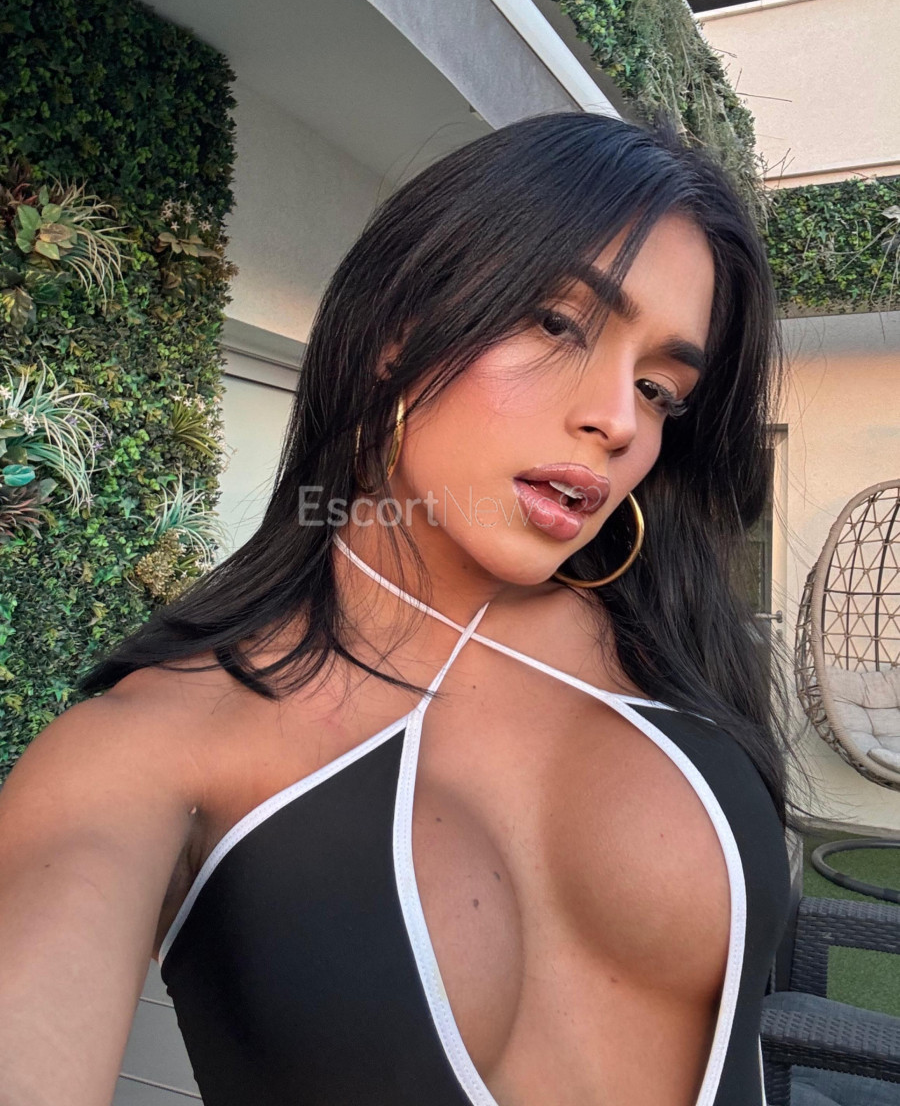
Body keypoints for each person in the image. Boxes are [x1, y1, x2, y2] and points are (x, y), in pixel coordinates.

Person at [0, 110, 795, 1106]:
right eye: (557, 324)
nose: (617, 420)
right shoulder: (156, 743)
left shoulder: (676, 654)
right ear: (397, 331)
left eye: (659, 388)